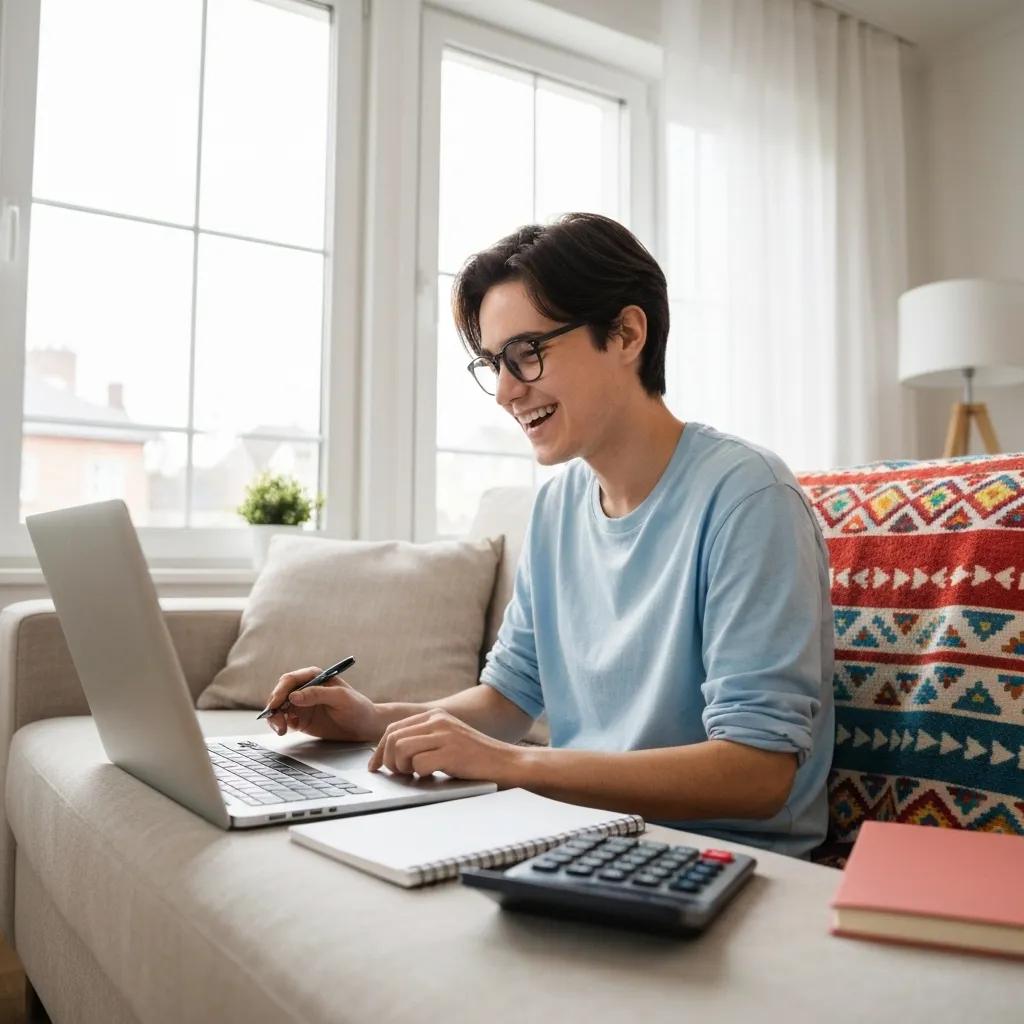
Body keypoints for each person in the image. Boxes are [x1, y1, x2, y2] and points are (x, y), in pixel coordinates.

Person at [265, 212, 835, 859]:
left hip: (720, 856)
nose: (507, 391)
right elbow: (508, 698)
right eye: (493, 365)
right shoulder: (556, 507)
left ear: (625, 334)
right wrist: (373, 719)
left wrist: (511, 766)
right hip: (587, 833)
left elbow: (756, 775)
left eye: (527, 354)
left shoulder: (748, 497)